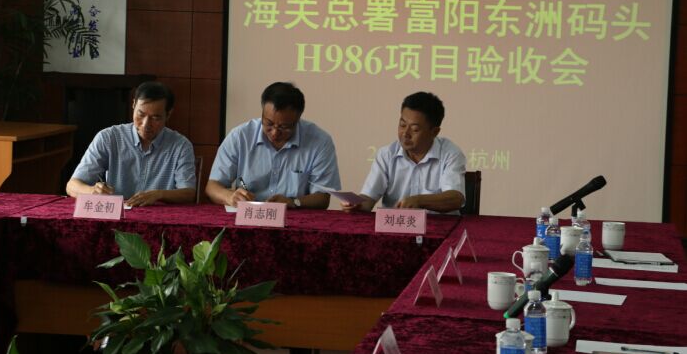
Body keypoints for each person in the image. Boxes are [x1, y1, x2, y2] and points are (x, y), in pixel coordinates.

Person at [206, 81, 341, 209]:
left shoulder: (319, 142)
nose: (275, 133)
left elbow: (322, 197)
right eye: (269, 123)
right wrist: (229, 197)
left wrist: (293, 202)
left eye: (284, 127)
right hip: (248, 215)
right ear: (262, 114)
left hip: (294, 217)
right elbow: (212, 186)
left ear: (298, 119)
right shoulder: (240, 137)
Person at [66, 81, 196, 206]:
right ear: (133, 105)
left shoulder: (181, 146)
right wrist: (92, 191)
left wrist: (159, 194)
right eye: (141, 114)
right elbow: (72, 186)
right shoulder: (109, 138)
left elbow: (188, 193)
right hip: (117, 215)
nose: (146, 124)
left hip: (160, 216)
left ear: (168, 114)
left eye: (155, 117)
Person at [343, 91, 466, 214]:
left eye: (415, 129)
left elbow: (456, 198)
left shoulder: (450, 154)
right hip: (395, 224)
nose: (405, 133)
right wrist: (356, 204)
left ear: (434, 132)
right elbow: (368, 198)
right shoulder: (386, 154)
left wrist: (419, 200)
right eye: (402, 125)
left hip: (441, 225)